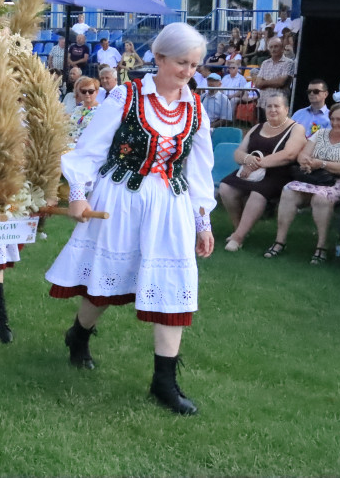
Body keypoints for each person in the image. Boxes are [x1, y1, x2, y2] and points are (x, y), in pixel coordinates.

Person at [45, 22, 215, 416]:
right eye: (181, 63)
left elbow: (200, 169)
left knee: (173, 285)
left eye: (194, 64)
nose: (188, 72)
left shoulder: (195, 108)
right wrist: (77, 193)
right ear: (158, 59)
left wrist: (202, 221)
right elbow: (90, 148)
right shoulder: (127, 94)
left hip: (170, 203)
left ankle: (164, 381)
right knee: (105, 284)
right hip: (122, 196)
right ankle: (79, 334)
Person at [267, 103, 340, 264]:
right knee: (288, 190)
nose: (335, 123)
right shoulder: (320, 134)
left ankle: (321, 246)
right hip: (314, 178)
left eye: (339, 119)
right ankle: (279, 241)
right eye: (332, 119)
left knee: (321, 198)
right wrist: (305, 161)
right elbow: (303, 154)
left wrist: (321, 164)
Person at [219, 93, 306, 252]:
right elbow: (238, 152)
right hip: (249, 171)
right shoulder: (257, 127)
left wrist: (255, 165)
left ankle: (238, 238)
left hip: (278, 173)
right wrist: (247, 160)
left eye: (277, 106)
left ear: (286, 109)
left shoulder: (296, 129)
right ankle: (240, 229)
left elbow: (289, 154)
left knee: (258, 193)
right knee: (225, 188)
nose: (272, 109)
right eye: (269, 106)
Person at [253, 36, 295, 122]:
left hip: (278, 105)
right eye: (271, 47)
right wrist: (273, 82)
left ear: (282, 48)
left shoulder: (289, 63)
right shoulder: (265, 63)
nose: (273, 49)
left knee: (277, 132)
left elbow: (281, 82)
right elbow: (257, 83)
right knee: (262, 131)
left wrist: (264, 82)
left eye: (276, 46)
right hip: (263, 104)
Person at [70, 76, 100, 144]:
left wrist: (76, 140)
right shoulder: (76, 109)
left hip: (86, 147)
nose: (87, 94)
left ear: (97, 92)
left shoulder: (100, 111)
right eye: (83, 91)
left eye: (91, 91)